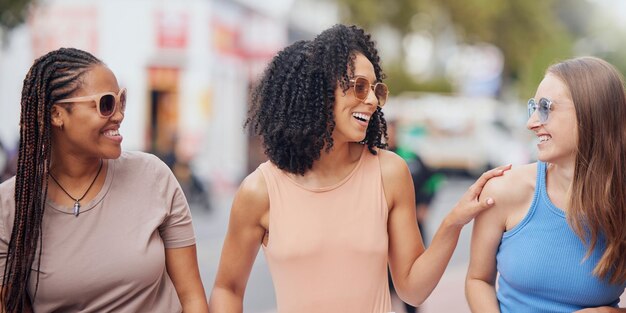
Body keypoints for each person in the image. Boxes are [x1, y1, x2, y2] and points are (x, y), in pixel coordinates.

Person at [209, 24, 510, 313]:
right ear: (320, 91)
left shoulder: (389, 173)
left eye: (376, 90)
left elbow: (412, 290)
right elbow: (227, 289)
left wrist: (452, 223)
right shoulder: (260, 190)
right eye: (359, 87)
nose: (371, 100)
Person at [0, 48, 209, 313]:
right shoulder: (10, 206)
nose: (119, 115)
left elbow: (192, 296)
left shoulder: (154, 176)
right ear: (57, 114)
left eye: (122, 101)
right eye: (106, 104)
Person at [466, 56, 626, 312]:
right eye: (533, 107)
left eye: (546, 107)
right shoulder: (503, 189)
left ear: (592, 112)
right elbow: (477, 280)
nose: (531, 123)